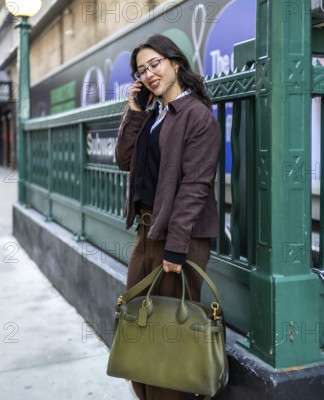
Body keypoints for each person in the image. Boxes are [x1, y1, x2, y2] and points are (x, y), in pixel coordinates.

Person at [115, 34, 222, 400]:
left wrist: (175, 249)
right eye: (141, 70)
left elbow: (195, 186)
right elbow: (124, 160)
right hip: (147, 233)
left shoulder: (197, 116)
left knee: (167, 335)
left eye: (154, 64)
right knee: (136, 322)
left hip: (181, 240)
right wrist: (134, 111)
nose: (148, 74)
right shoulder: (155, 114)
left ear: (176, 63)